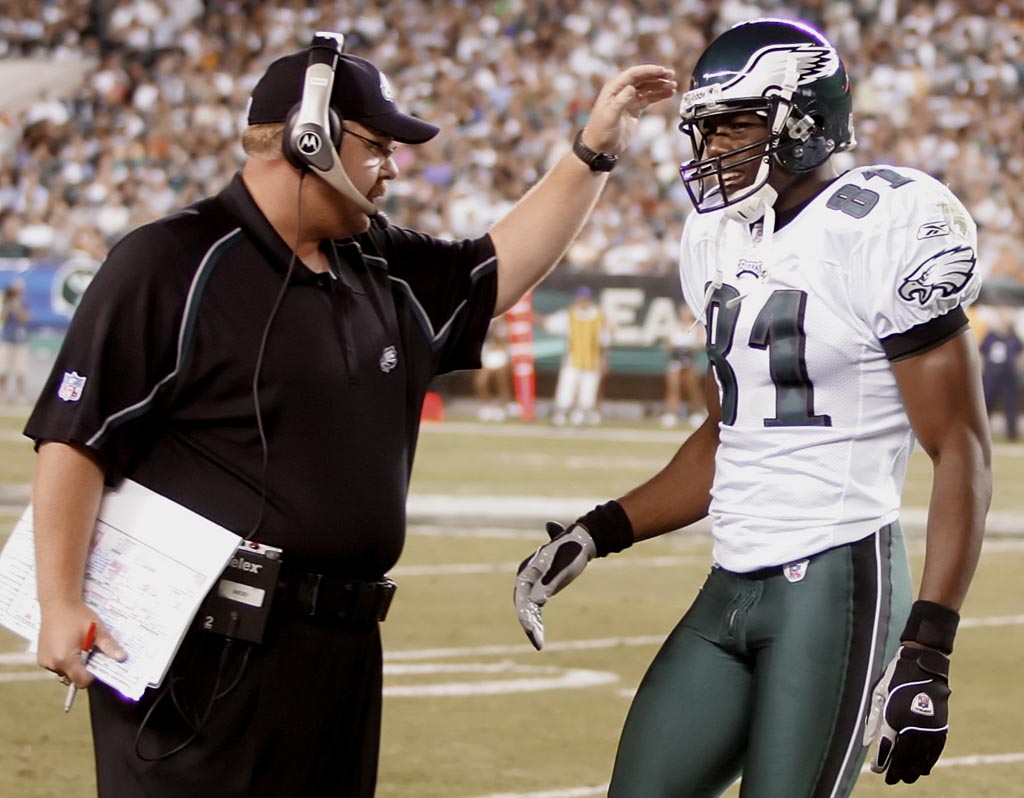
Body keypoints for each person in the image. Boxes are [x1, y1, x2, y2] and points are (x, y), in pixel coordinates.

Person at [25, 37, 676, 798]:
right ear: (312, 137)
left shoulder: (378, 262)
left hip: (341, 648)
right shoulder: (169, 260)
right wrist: (59, 601)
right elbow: (76, 440)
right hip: (203, 652)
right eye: (378, 145)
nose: (393, 166)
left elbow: (496, 268)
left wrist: (592, 153)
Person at [515, 18, 990, 798]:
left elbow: (961, 448)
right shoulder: (714, 237)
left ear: (804, 119)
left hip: (837, 580)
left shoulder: (887, 222)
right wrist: (598, 531)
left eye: (737, 125)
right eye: (705, 132)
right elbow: (724, 435)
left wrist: (929, 646)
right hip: (731, 582)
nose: (712, 153)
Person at [551, 286, 607, 426]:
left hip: (591, 360)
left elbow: (604, 341)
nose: (583, 302)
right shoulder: (569, 315)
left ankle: (580, 415)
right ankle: (561, 415)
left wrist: (603, 360)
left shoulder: (598, 316)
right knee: (566, 390)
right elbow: (550, 324)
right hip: (572, 359)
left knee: (587, 392)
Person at [979, 306, 1022, 441]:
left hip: (1007, 372)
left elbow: (1021, 353)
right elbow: (982, 352)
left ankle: (1012, 434)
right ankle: (982, 432)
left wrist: (1019, 365)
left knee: (1010, 403)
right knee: (986, 402)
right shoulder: (991, 335)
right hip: (992, 371)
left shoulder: (1013, 337)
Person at [660, 302, 705, 427]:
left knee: (693, 387)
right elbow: (667, 344)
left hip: (690, 361)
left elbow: (700, 344)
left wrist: (687, 347)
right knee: (673, 387)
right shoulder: (674, 327)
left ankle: (697, 413)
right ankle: (670, 413)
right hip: (675, 361)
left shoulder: (697, 328)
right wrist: (676, 347)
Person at [474, 314, 516, 421]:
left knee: (502, 382)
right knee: (481, 381)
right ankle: (487, 406)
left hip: (501, 353)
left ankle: (502, 408)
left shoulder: (503, 322)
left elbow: (503, 339)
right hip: (488, 353)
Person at [0, 277, 31, 403]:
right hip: (7, 339)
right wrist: (8, 305)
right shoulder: (5, 302)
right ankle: (2, 394)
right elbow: (2, 317)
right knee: (3, 370)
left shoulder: (24, 303)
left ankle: (20, 395)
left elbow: (25, 319)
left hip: (20, 340)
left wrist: (17, 306)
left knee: (20, 370)